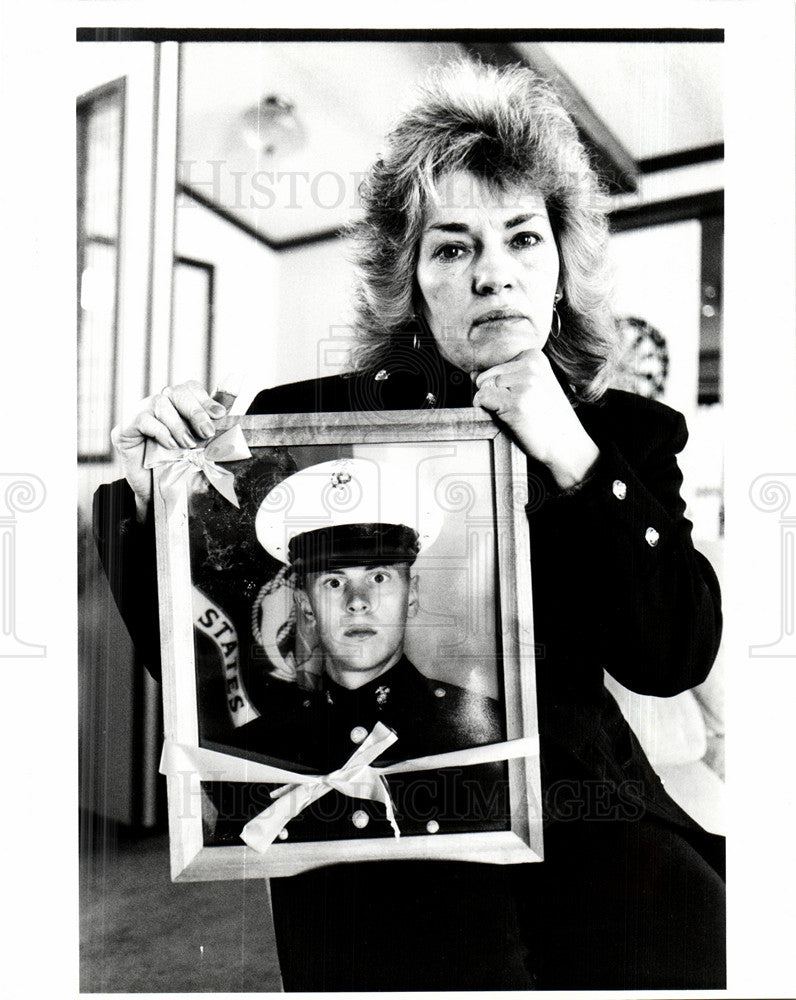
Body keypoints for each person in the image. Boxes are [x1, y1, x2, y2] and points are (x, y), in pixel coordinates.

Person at [94, 59, 725, 989]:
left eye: (522, 239)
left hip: (592, 829)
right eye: (453, 247)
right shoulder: (307, 423)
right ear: (413, 279)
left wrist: (571, 453)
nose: (493, 276)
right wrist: (157, 494)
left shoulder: (627, 434)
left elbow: (670, 653)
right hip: (384, 840)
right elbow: (217, 677)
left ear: (559, 269)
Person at [207, 456, 508, 846]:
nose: (357, 602)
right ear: (305, 606)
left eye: (379, 577)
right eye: (333, 582)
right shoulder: (254, 755)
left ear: (411, 595)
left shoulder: (484, 738)